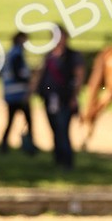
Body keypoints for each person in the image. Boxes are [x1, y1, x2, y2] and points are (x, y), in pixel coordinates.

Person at [37, 26, 85, 168]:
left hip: (65, 99)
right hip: (49, 99)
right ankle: (58, 160)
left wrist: (74, 97)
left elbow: (79, 76)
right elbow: (40, 75)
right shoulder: (49, 56)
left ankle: (67, 162)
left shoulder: (72, 56)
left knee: (63, 130)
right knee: (55, 130)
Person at [0, 32, 36, 154]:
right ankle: (29, 146)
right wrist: (30, 80)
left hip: (11, 93)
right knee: (29, 121)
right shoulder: (17, 54)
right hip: (18, 93)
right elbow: (17, 74)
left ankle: (4, 146)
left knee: (10, 121)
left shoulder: (11, 53)